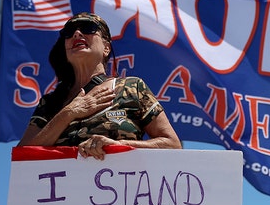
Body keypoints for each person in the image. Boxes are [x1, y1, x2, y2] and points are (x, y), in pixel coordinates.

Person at [18, 12, 182, 159]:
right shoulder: (51, 102)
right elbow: (23, 155)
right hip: (63, 191)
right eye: (68, 32)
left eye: (88, 28)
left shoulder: (132, 88)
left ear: (106, 48)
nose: (76, 33)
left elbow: (172, 145)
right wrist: (69, 113)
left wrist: (118, 146)